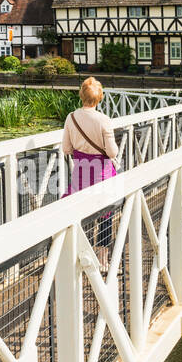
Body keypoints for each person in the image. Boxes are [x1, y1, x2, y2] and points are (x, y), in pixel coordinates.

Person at [62, 77, 119, 267]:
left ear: (81, 95)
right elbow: (112, 152)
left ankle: (81, 258)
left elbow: (66, 148)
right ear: (100, 97)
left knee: (82, 215)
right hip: (102, 175)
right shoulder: (104, 120)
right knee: (105, 217)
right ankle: (102, 261)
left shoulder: (71, 118)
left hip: (81, 174)